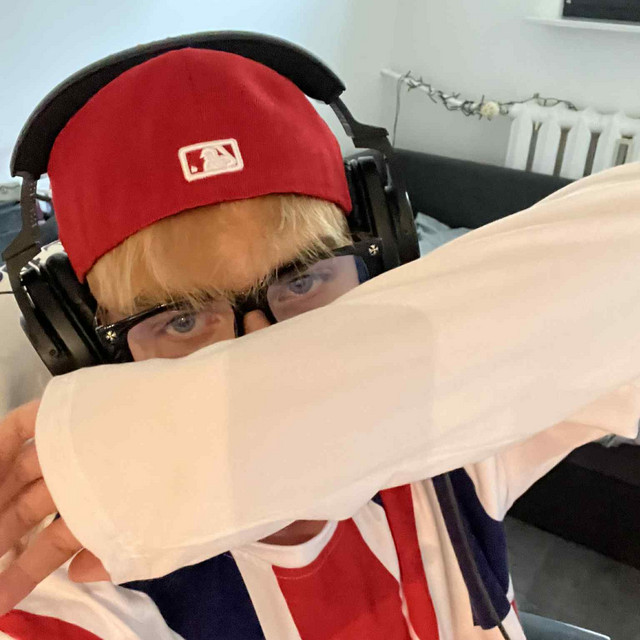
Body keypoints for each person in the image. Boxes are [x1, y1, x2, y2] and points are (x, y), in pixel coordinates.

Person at [1, 42, 640, 640]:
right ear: (92, 349)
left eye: (301, 280)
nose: (262, 354)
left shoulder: (450, 435)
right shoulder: (87, 586)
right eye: (184, 319)